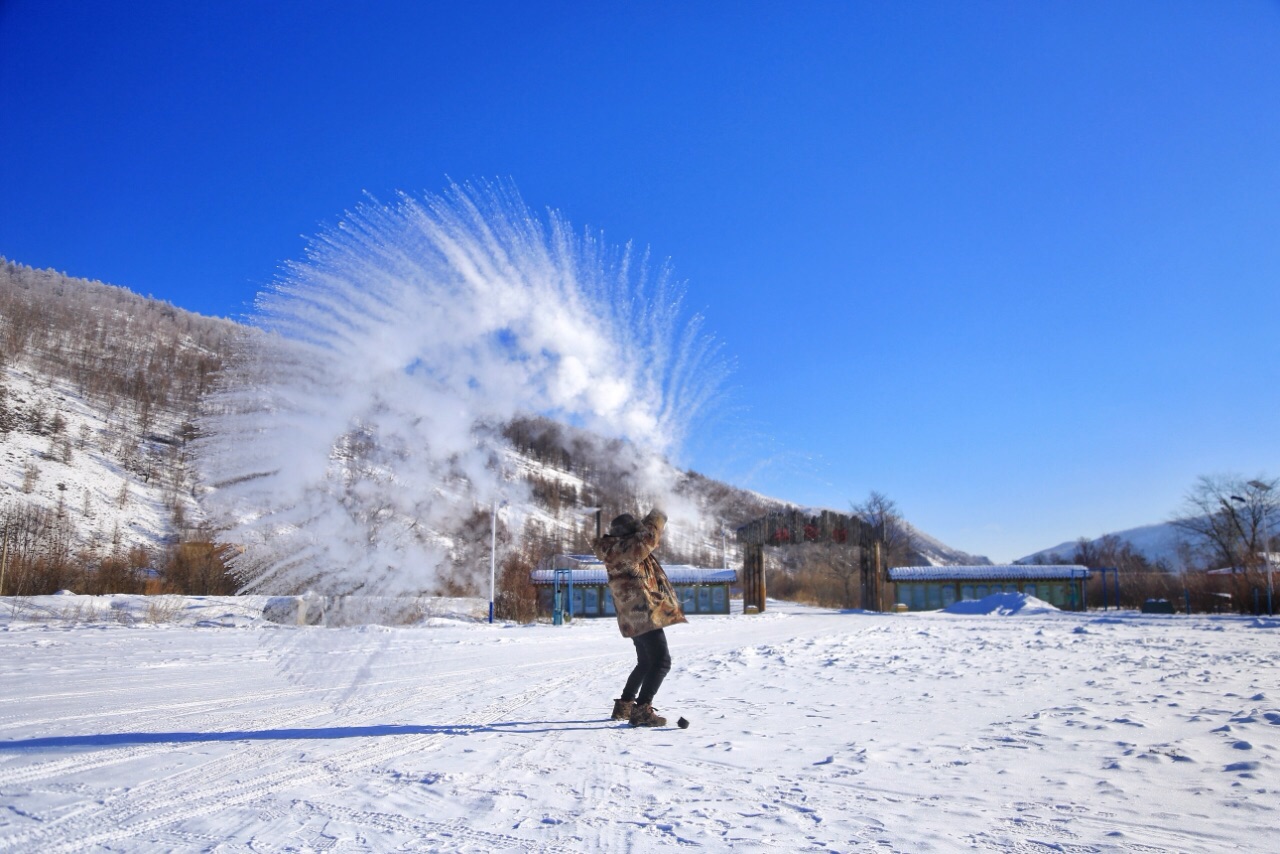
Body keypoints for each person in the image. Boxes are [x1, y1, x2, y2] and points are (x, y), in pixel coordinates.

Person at [592, 508, 687, 727]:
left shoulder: (617, 549)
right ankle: (642, 710)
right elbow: (648, 538)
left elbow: (645, 539)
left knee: (645, 662)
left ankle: (624, 705)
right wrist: (662, 509)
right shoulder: (625, 550)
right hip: (642, 615)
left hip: (633, 617)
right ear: (628, 535)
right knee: (662, 662)